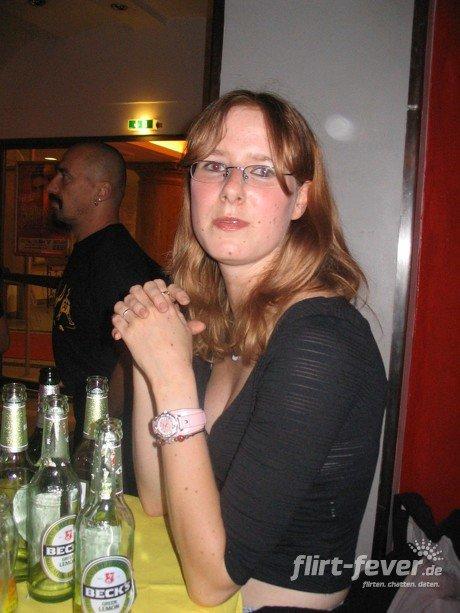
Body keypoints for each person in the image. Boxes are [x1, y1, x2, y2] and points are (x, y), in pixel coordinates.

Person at [111, 91, 387, 611]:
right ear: (191, 185)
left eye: (261, 171)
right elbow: (157, 499)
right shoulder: (218, 319)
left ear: (300, 200)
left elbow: (214, 581)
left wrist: (170, 376)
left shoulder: (322, 341)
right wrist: (150, 355)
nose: (231, 190)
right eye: (214, 166)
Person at [48, 142, 166, 494]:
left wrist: (96, 434)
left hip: (114, 446)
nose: (53, 186)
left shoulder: (117, 261)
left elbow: (134, 356)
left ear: (101, 192)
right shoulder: (90, 251)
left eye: (65, 177)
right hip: (93, 429)